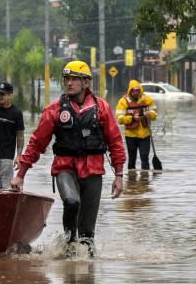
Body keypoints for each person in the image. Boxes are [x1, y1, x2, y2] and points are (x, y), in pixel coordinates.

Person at [10, 60, 126, 257]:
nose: (69, 83)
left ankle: (85, 270)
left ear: (86, 83)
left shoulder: (102, 109)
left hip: (93, 171)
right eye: (67, 79)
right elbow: (37, 143)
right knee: (71, 202)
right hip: (65, 168)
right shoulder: (54, 110)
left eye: (74, 79)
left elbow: (115, 142)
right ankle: (68, 245)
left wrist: (119, 175)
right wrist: (20, 174)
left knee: (88, 234)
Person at [115, 79, 158, 172]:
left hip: (145, 134)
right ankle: (131, 181)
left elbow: (155, 115)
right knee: (132, 159)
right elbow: (119, 119)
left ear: (140, 90)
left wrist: (149, 114)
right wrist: (132, 118)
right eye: (133, 90)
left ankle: (145, 180)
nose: (135, 93)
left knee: (144, 157)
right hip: (131, 135)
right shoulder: (123, 102)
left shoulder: (147, 100)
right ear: (130, 91)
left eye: (137, 90)